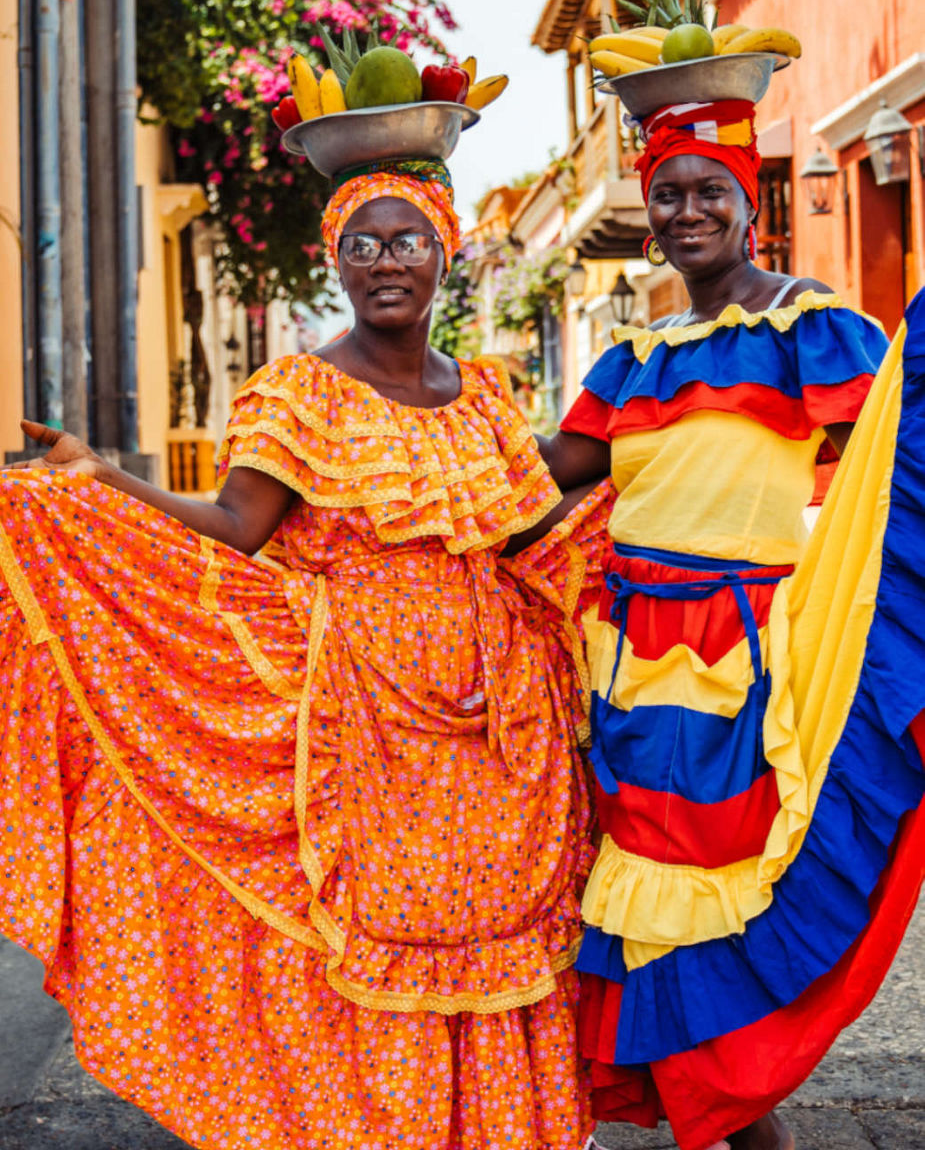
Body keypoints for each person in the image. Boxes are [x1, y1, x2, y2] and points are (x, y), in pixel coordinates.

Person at [0, 158, 613, 1150]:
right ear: (333, 260)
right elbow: (236, 522)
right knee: (378, 929)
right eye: (362, 245)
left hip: (500, 718)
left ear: (444, 256)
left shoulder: (485, 398)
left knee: (492, 923)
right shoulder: (299, 393)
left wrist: (673, 456)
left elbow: (527, 528)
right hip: (359, 713)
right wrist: (102, 480)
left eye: (407, 242)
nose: (386, 264)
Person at [535, 97, 925, 1150]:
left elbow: (885, 462)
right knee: (645, 885)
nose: (687, 209)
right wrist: (387, 456)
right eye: (668, 193)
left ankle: (742, 1115)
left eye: (711, 190)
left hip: (741, 665)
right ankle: (727, 1122)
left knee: (720, 882)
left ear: (748, 205)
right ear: (648, 213)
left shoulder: (810, 323)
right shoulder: (634, 356)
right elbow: (545, 479)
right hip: (625, 666)